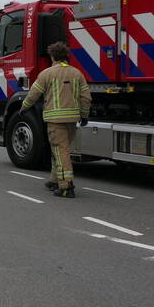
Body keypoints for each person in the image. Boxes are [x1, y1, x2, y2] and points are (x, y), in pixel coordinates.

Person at [19, 41, 91, 198]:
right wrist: (84, 115)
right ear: (66, 56)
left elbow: (33, 94)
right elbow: (86, 97)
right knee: (60, 150)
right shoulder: (77, 73)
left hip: (55, 121)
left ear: (52, 56)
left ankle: (66, 186)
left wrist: (23, 108)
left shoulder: (47, 73)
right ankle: (54, 180)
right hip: (72, 120)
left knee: (60, 151)